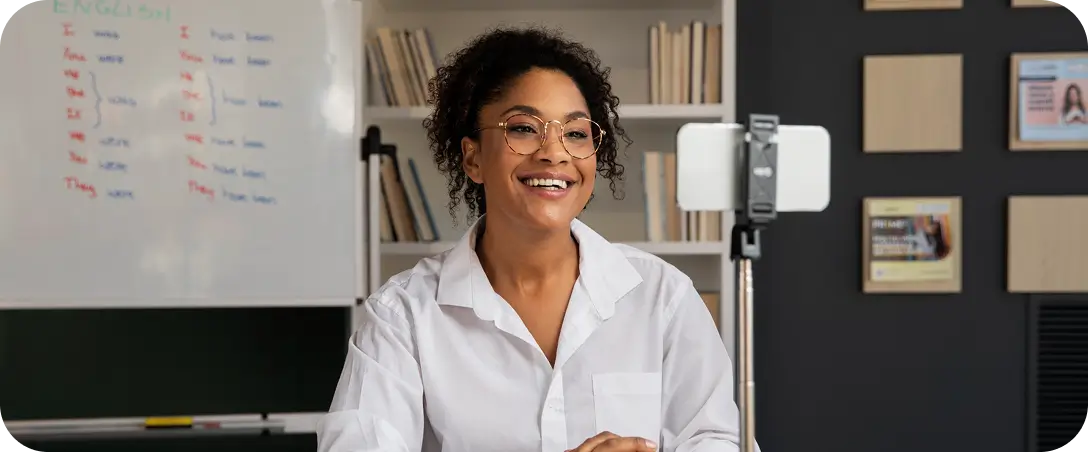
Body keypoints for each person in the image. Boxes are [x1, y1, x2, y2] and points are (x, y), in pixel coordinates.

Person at [316, 27, 755, 452]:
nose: (554, 151)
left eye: (576, 133)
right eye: (524, 128)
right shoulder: (403, 315)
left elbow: (720, 439)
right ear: (472, 158)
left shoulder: (663, 296)